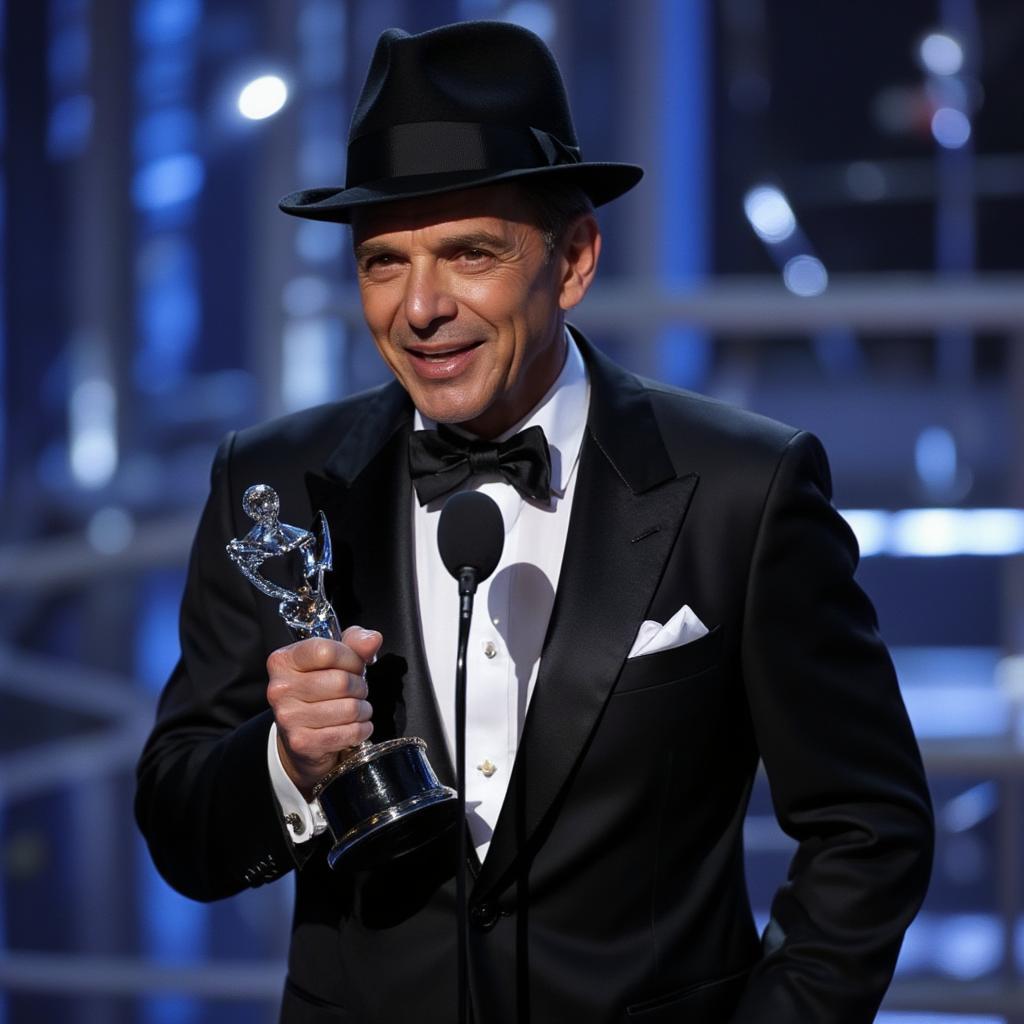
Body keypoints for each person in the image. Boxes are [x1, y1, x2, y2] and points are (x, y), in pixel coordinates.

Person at [135, 20, 933, 1024]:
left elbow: (867, 827)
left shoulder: (742, 486)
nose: (420, 306)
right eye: (384, 262)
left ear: (573, 260)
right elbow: (182, 835)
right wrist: (286, 762)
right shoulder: (272, 485)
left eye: (468, 252)